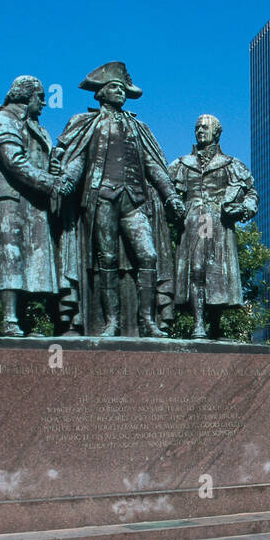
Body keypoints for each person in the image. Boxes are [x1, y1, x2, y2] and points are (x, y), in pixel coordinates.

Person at [54, 62, 184, 337]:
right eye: (114, 87)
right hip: (102, 198)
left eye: (123, 88)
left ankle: (147, 320)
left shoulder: (138, 127)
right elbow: (77, 160)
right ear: (100, 93)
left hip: (134, 201)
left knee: (148, 256)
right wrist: (66, 182)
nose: (120, 92)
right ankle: (111, 322)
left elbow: (153, 165)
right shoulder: (86, 123)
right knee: (108, 259)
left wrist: (170, 195)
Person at [0, 75, 61, 335]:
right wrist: (50, 183)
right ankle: (10, 319)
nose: (44, 103)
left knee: (34, 261)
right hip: (10, 199)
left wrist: (54, 169)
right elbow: (14, 163)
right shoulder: (1, 122)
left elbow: (42, 161)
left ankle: (27, 320)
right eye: (40, 97)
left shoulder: (39, 129)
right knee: (12, 257)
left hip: (34, 202)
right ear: (26, 96)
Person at [169, 115, 258, 338]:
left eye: (205, 127)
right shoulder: (181, 164)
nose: (200, 130)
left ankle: (215, 325)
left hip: (219, 223)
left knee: (216, 272)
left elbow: (251, 194)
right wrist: (174, 206)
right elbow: (167, 192)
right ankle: (199, 324)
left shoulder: (232, 164)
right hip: (193, 222)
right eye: (197, 127)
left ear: (217, 133)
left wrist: (244, 209)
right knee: (197, 269)